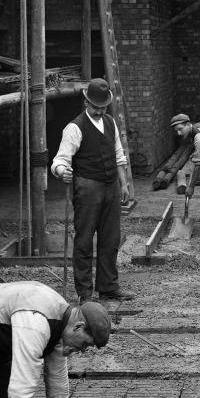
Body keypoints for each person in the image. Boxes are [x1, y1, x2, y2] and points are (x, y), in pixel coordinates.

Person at [51, 78, 133, 302]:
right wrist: (62, 172)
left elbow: (119, 155)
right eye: (95, 106)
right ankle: (85, 293)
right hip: (87, 188)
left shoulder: (110, 122)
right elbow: (60, 160)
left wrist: (123, 184)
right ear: (86, 102)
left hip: (111, 187)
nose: (99, 111)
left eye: (103, 107)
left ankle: (108, 287)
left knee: (111, 239)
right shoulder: (74, 128)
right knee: (84, 240)